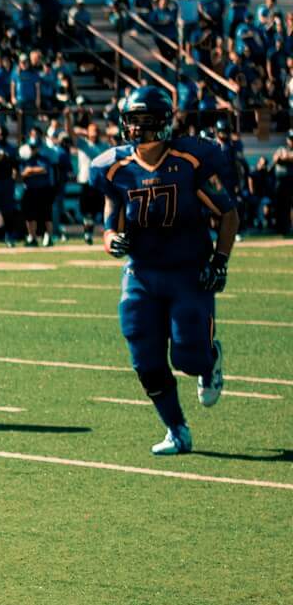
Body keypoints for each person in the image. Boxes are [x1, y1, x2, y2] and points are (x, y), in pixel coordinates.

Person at [86, 86, 238, 456]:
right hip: (141, 273)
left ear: (163, 122)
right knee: (144, 355)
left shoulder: (190, 160)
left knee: (189, 356)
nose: (138, 129)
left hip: (188, 270)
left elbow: (227, 214)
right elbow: (109, 227)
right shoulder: (115, 169)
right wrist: (111, 242)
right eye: (132, 122)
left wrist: (219, 260)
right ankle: (176, 430)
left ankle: (210, 359)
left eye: (145, 121)